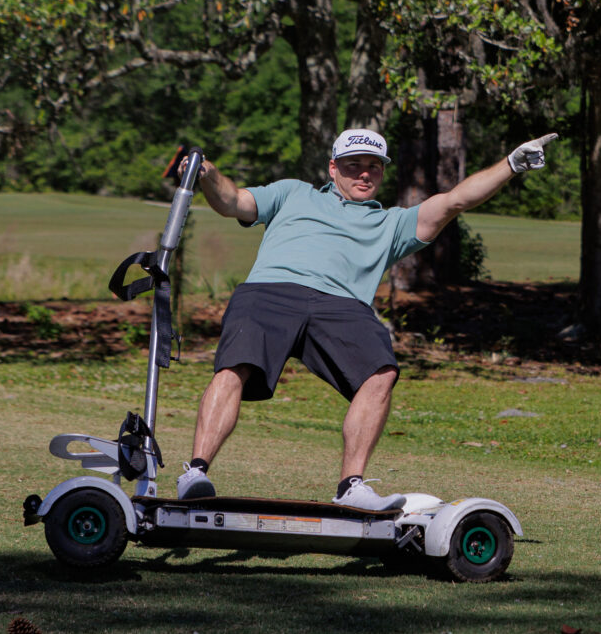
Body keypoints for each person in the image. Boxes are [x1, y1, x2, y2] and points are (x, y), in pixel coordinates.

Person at [176, 128, 558, 509]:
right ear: (332, 168)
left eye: (373, 167)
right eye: (353, 165)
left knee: (382, 372)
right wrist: (207, 172)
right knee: (233, 367)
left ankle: (352, 486)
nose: (363, 174)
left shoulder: (393, 224)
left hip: (342, 306)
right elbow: (232, 201)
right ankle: (195, 472)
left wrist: (510, 165)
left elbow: (454, 201)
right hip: (271, 290)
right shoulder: (293, 193)